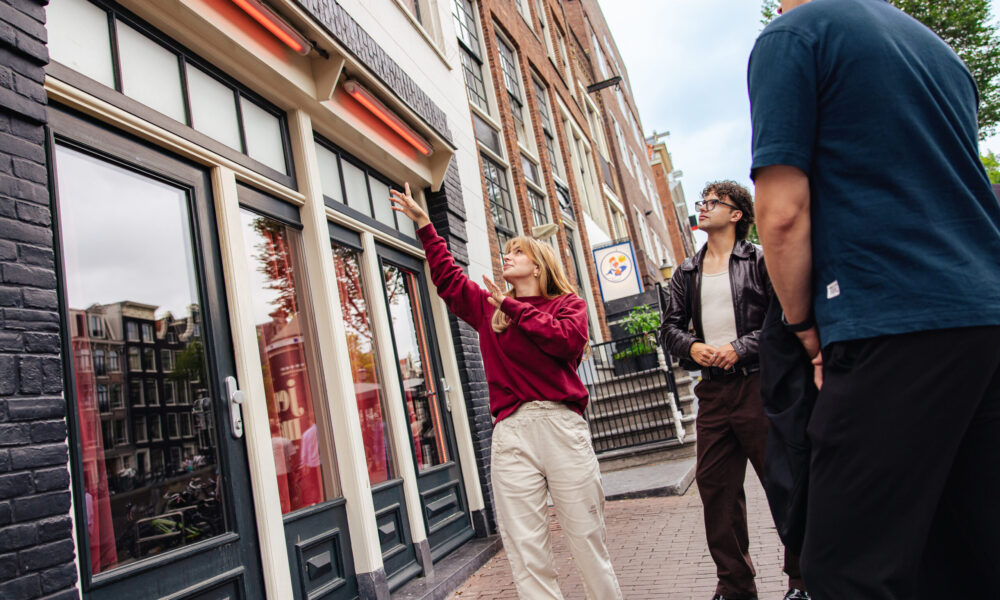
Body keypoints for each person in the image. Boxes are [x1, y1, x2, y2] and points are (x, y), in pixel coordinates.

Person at [750, 1, 1000, 597]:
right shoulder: (940, 51)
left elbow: (781, 214)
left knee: (845, 568)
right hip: (986, 315)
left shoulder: (792, 36)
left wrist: (804, 323)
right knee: (967, 553)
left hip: (889, 317)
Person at [391, 184, 622, 600]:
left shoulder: (567, 304)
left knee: (587, 538)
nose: (506, 257)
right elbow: (448, 280)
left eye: (516, 252)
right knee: (525, 548)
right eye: (507, 251)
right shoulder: (489, 308)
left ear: (538, 266)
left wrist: (512, 307)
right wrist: (426, 224)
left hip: (560, 426)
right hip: (511, 432)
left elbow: (565, 342)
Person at [660, 181, 807, 600]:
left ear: (737, 214)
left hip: (761, 386)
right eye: (701, 202)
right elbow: (668, 329)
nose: (702, 209)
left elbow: (784, 321)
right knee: (716, 488)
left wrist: (738, 348)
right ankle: (736, 586)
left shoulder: (760, 260)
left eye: (712, 203)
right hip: (713, 395)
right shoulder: (686, 272)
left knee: (784, 481)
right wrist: (694, 346)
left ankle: (801, 580)